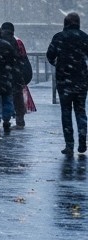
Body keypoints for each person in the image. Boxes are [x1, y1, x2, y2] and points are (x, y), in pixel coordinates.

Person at [46, 12, 88, 155]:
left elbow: (50, 55)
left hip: (64, 80)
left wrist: (58, 63)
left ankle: (69, 145)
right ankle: (82, 141)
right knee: (81, 111)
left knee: (66, 112)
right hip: (81, 80)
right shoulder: (84, 37)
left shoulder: (59, 37)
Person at [1, 22, 33, 128]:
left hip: (4, 73)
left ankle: (6, 119)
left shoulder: (0, 40)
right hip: (17, 73)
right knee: (18, 96)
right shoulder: (17, 41)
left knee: (4, 96)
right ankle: (20, 120)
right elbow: (23, 57)